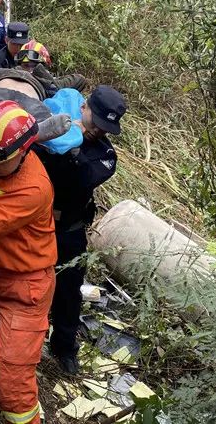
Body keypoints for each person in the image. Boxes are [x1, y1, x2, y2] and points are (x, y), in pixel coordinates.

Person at [0, 101, 56, 424]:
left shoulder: (32, 188)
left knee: (11, 384)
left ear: (22, 151)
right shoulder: (2, 164)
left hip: (26, 288)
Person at [38, 85, 127, 375]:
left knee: (68, 291)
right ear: (83, 107)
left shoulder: (105, 155)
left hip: (69, 230)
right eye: (95, 123)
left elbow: (81, 177)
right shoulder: (54, 126)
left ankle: (64, 347)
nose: (98, 132)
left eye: (105, 128)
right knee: (27, 286)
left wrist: (71, 144)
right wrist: (58, 133)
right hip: (36, 224)